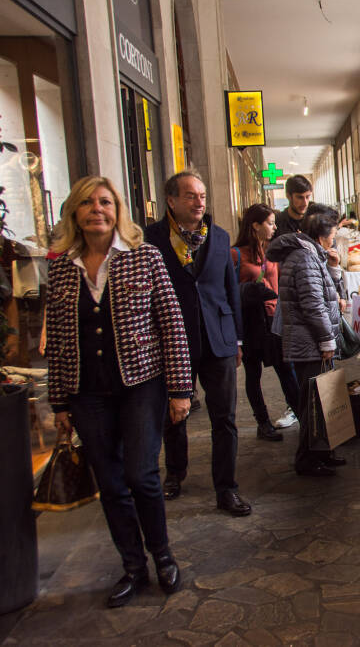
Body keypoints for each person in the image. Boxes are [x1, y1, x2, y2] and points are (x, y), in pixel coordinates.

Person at [46, 176, 190, 607]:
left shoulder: (143, 257)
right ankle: (132, 566)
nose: (97, 209)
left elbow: (171, 324)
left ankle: (162, 556)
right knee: (109, 482)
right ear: (74, 212)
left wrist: (180, 389)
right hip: (86, 392)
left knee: (141, 475)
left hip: (140, 384)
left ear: (117, 210)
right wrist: (59, 402)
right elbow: (56, 338)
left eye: (105, 202)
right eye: (87, 203)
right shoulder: (61, 266)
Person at [144, 171, 252, 516]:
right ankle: (175, 473)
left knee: (225, 418)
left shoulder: (219, 238)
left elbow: (229, 290)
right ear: (171, 201)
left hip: (217, 338)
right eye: (191, 196)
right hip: (173, 340)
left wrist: (236, 338)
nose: (199, 202)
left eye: (203, 196)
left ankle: (227, 488)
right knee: (173, 415)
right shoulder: (151, 240)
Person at [267, 204, 350, 477]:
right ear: (321, 235)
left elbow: (325, 292)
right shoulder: (304, 258)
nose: (334, 240)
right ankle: (307, 459)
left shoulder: (313, 255)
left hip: (312, 341)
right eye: (333, 235)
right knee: (313, 402)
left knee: (321, 399)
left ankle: (323, 452)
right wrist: (326, 341)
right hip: (309, 342)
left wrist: (334, 269)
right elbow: (313, 303)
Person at [231, 204, 301, 442]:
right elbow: (229, 292)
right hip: (251, 321)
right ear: (255, 226)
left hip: (274, 319)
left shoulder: (273, 252)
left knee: (286, 368)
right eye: (270, 223)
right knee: (253, 373)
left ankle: (302, 414)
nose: (274, 227)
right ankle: (263, 422)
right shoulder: (236, 255)